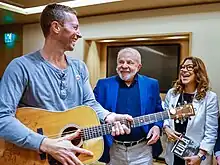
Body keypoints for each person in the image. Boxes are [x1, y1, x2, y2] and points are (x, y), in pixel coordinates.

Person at [0, 3, 132, 165]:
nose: (79, 34)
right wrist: (45, 144)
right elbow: (3, 118)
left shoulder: (79, 68)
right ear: (56, 27)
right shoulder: (20, 67)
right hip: (32, 158)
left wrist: (109, 116)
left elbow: (89, 103)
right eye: (75, 27)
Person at [93, 47, 164, 165]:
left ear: (138, 66)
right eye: (121, 62)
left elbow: (158, 110)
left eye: (130, 62)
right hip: (113, 149)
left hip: (143, 149)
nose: (124, 66)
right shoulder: (103, 85)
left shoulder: (151, 84)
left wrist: (157, 126)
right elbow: (92, 111)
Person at [163, 56, 219, 165]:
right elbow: (165, 115)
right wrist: (166, 128)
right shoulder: (172, 93)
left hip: (196, 155)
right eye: (182, 67)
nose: (184, 70)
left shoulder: (210, 98)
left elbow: (211, 132)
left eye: (189, 67)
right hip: (173, 153)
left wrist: (199, 156)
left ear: (198, 72)